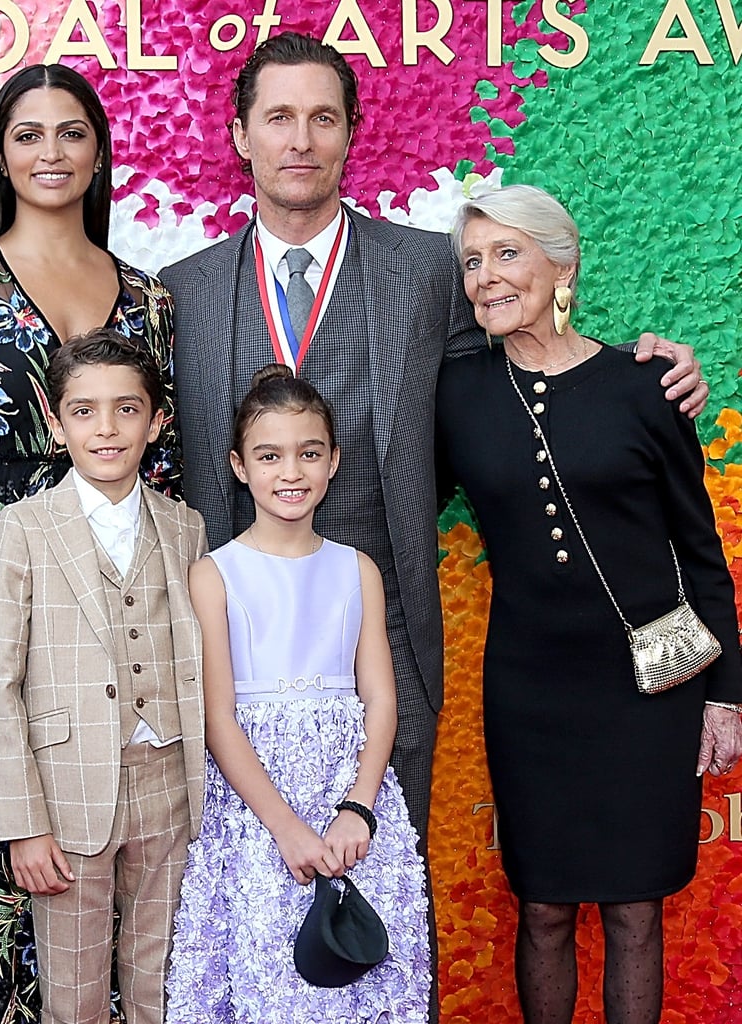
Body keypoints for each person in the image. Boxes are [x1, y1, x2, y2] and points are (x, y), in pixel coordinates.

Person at [159, 33, 706, 1016]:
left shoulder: (424, 272)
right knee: (246, 924)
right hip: (230, 669)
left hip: (388, 656)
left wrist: (647, 367)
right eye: (277, 116)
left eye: (322, 116)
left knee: (375, 924)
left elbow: (532, 348)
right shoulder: (181, 291)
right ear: (241, 134)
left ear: (351, 134)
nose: (300, 138)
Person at [0, 64, 178, 1021]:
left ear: (100, 152)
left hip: (117, 583)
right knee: (8, 815)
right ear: (1, 155)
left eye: (70, 133)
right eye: (28, 134)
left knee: (118, 818)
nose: (51, 153)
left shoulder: (148, 296)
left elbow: (166, 467)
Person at [435, 183, 742, 1024]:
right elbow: (397, 503)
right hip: (530, 693)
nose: (485, 278)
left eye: (507, 254)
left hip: (649, 692)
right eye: (471, 262)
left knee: (638, 910)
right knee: (541, 908)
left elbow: (700, 553)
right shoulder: (456, 394)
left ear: (561, 264)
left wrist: (726, 694)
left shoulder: (647, 384)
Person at [166, 365, 430, 1022]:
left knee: (362, 985)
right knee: (268, 981)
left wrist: (358, 809)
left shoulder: (357, 568)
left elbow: (383, 701)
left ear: (333, 461)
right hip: (257, 820)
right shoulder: (213, 574)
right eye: (269, 455)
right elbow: (218, 719)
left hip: (354, 808)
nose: (291, 472)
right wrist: (286, 831)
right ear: (238, 464)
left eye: (309, 453)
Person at [0, 330, 206, 1024]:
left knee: (158, 982)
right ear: (54, 418)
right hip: (67, 797)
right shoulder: (22, 527)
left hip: (168, 782)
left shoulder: (185, 525)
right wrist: (22, 824)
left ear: (157, 420)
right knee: (73, 996)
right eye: (84, 411)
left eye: (126, 409)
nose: (106, 429)